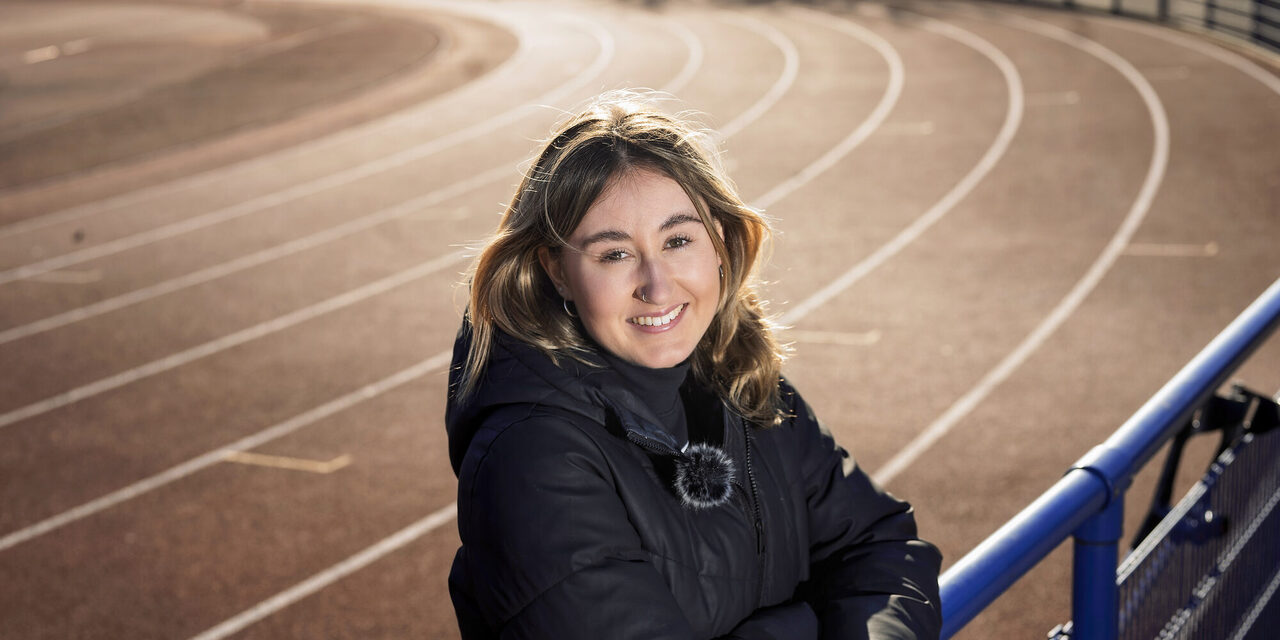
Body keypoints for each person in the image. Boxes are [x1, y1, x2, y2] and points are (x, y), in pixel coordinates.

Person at [445, 91, 942, 639]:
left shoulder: (741, 379)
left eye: (678, 239)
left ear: (721, 241)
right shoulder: (532, 461)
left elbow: (880, 544)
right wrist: (804, 625)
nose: (657, 286)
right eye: (615, 253)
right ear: (556, 271)